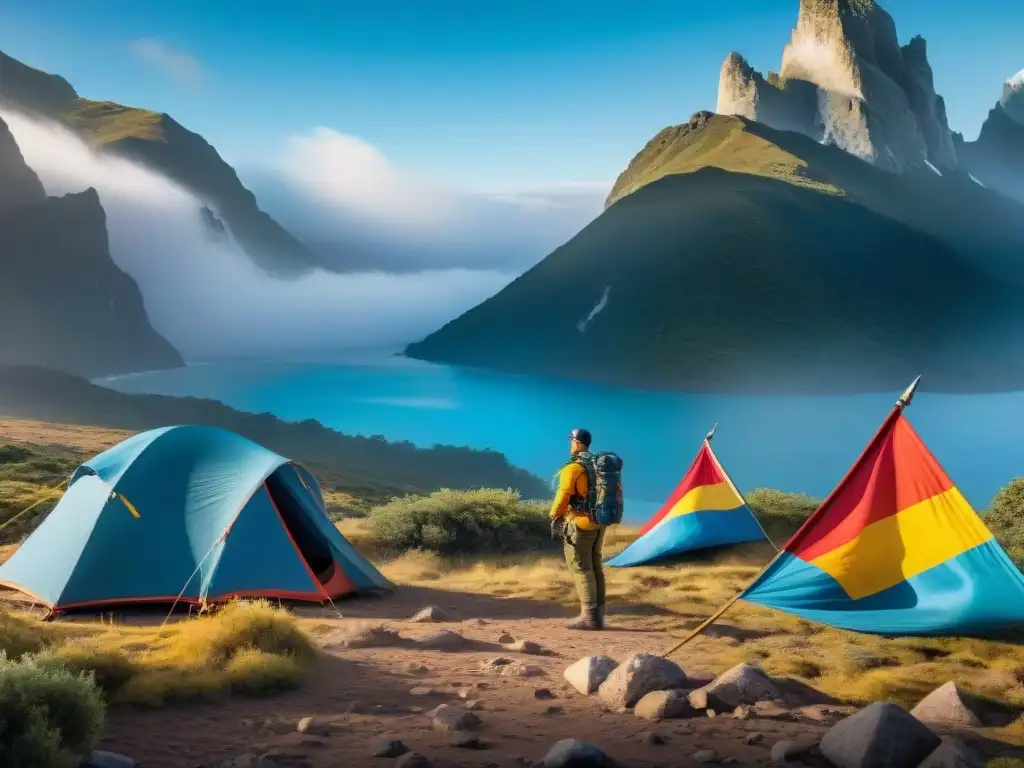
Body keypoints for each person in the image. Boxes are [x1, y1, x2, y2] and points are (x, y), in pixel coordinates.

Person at [549, 427, 606, 630]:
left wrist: (554, 515)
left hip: (580, 523)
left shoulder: (573, 468)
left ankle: (588, 618)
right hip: (599, 523)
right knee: (596, 566)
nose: (570, 443)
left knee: (582, 569)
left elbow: (563, 495)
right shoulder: (597, 465)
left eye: (572, 439)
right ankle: (599, 616)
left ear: (576, 442)